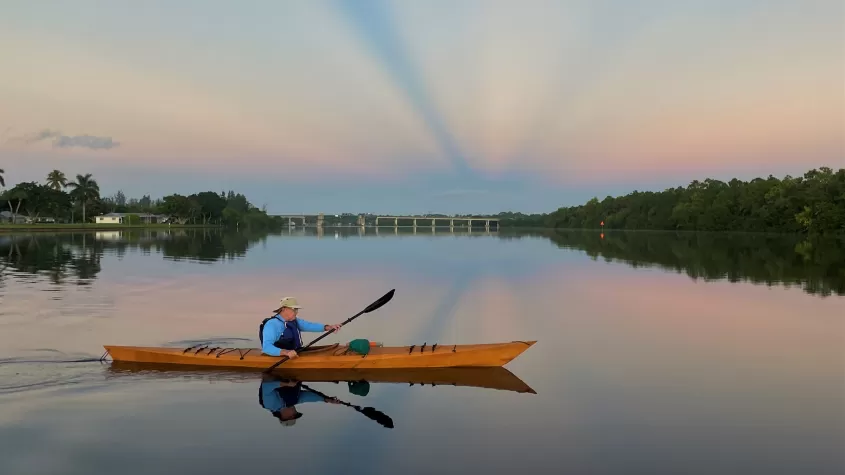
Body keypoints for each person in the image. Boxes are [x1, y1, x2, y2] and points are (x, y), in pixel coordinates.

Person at [260, 296, 342, 358]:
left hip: (294, 353)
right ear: (284, 309)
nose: (296, 312)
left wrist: (328, 327)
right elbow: (266, 347)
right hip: (278, 356)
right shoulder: (272, 324)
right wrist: (286, 352)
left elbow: (309, 325)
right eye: (294, 309)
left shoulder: (294, 321)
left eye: (297, 310)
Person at [259, 374, 340, 426]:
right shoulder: (290, 403)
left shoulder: (271, 405)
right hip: (289, 376)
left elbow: (266, 386)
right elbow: (308, 397)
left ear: (284, 417)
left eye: (292, 416)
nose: (295, 412)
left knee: (291, 399)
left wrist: (286, 384)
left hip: (274, 374)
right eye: (295, 414)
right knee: (293, 399)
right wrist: (326, 399)